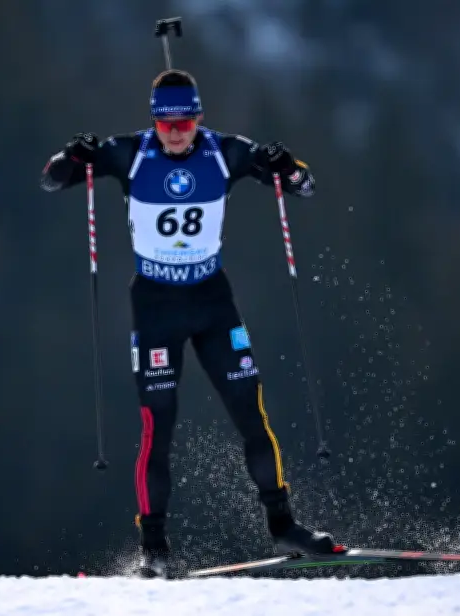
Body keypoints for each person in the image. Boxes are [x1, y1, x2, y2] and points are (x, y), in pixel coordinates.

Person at [40, 69, 336, 578]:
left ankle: (284, 526)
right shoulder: (129, 153)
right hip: (155, 306)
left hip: (211, 301)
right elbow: (52, 178)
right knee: (158, 427)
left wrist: (286, 164)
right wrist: (74, 155)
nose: (176, 132)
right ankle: (153, 549)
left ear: (199, 117)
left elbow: (303, 187)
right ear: (153, 120)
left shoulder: (227, 151)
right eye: (166, 121)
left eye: (185, 120)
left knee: (251, 411)